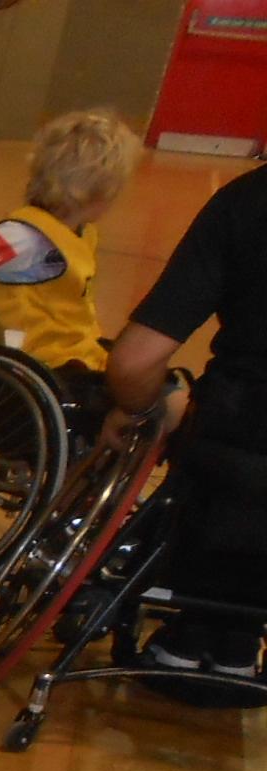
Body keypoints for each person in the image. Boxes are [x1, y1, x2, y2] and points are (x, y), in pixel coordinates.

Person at [107, 162, 267, 678]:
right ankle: (238, 641)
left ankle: (192, 629)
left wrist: (137, 408)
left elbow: (134, 362)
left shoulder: (245, 200)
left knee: (206, 436)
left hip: (234, 433)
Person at [0, 109, 141, 428]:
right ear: (98, 189)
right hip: (41, 369)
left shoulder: (80, 233)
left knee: (154, 386)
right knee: (151, 403)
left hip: (74, 355)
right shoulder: (21, 236)